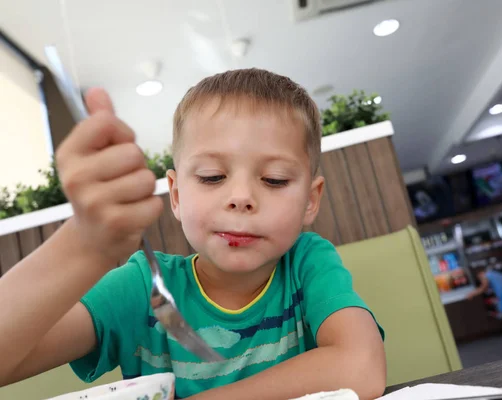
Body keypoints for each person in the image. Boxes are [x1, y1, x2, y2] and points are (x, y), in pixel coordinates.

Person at [0, 70, 386, 399]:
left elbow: (362, 366)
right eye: (212, 177)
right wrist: (85, 245)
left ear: (310, 201)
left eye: (274, 179)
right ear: (177, 195)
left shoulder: (307, 264)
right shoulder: (142, 289)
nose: (240, 198)